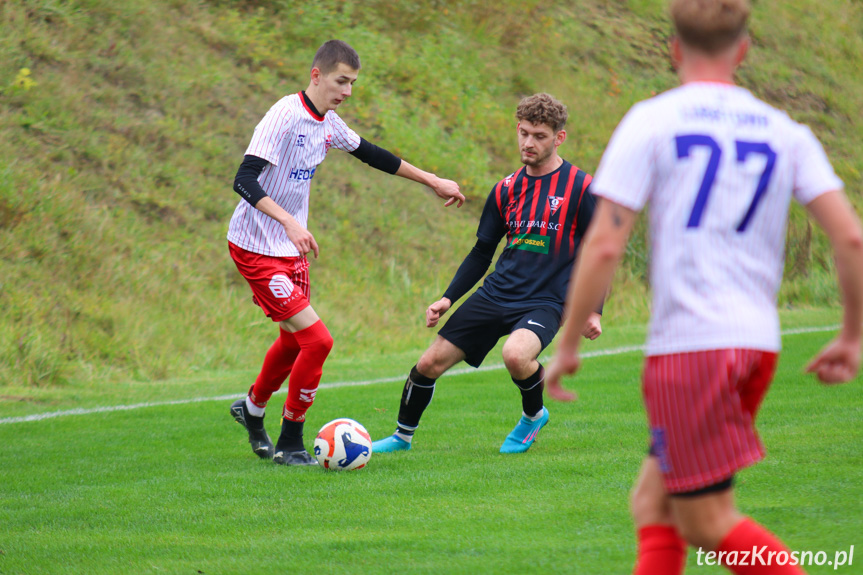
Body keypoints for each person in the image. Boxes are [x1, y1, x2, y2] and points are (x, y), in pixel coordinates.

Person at [545, 1, 863, 573]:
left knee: (706, 521)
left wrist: (567, 343)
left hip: (692, 347)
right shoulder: (784, 131)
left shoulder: (652, 120)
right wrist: (852, 334)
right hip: (756, 343)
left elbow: (605, 243)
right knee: (653, 501)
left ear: (673, 49)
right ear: (742, 50)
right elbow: (851, 239)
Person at [227, 40, 465, 466]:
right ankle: (291, 442)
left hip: (289, 247)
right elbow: (244, 179)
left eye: (353, 83)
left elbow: (374, 155)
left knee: (293, 339)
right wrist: (289, 221)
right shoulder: (284, 116)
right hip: (256, 246)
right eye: (341, 81)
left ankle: (252, 408)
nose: (348, 91)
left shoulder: (328, 123)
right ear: (316, 75)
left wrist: (433, 180)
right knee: (318, 341)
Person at [372, 93, 603, 456]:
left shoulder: (581, 188)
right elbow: (482, 252)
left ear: (559, 138)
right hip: (497, 293)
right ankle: (402, 438)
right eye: (524, 133)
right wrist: (448, 298)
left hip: (547, 299)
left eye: (539, 136)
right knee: (429, 363)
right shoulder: (506, 189)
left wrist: (594, 310)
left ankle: (532, 417)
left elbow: (599, 252)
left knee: (516, 355)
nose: (529, 142)